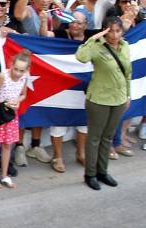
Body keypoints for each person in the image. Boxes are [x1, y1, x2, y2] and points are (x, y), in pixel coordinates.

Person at [77, 16, 130, 190]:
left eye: (118, 31)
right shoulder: (97, 47)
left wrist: (128, 95)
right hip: (99, 99)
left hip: (119, 99)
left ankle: (103, 172)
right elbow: (81, 56)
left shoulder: (125, 46)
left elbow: (127, 73)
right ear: (105, 30)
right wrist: (93, 38)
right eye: (111, 30)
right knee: (94, 138)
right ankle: (90, 174)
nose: (114, 35)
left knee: (107, 137)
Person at [0, 51, 29, 188]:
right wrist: (3, 102)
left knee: (7, 145)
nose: (18, 73)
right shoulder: (3, 76)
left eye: (21, 70)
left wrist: (17, 101)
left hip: (11, 115)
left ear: (26, 70)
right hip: (0, 114)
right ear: (11, 65)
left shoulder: (24, 78)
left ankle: (5, 175)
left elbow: (23, 94)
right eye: (16, 69)